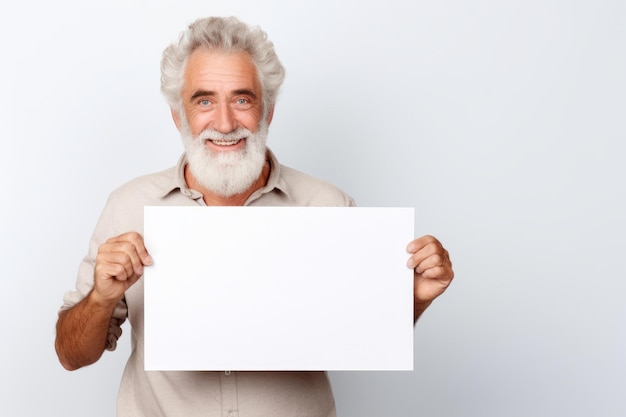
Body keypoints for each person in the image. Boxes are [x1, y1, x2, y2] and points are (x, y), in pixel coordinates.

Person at [55, 16, 454, 417]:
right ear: (179, 116)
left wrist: (412, 299)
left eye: (242, 99)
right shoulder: (128, 206)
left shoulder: (327, 205)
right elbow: (71, 355)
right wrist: (100, 298)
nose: (225, 123)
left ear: (268, 112)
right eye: (204, 100)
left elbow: (366, 335)